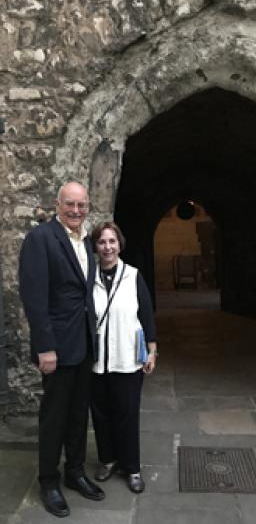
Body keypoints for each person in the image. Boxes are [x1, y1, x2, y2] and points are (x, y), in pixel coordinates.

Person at [19, 182, 105, 518]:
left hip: (83, 342)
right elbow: (35, 300)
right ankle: (49, 480)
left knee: (78, 412)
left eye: (82, 205)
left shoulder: (86, 241)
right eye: (70, 205)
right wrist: (46, 348)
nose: (76, 211)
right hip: (57, 346)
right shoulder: (40, 239)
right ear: (57, 204)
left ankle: (75, 472)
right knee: (54, 416)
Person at [90, 221, 157, 494]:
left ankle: (132, 467)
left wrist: (152, 350)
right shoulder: (88, 277)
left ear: (120, 244)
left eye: (112, 241)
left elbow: (146, 315)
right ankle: (108, 459)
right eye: (102, 242)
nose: (107, 247)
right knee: (101, 414)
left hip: (128, 359)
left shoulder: (133, 275)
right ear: (95, 247)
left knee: (127, 415)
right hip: (97, 362)